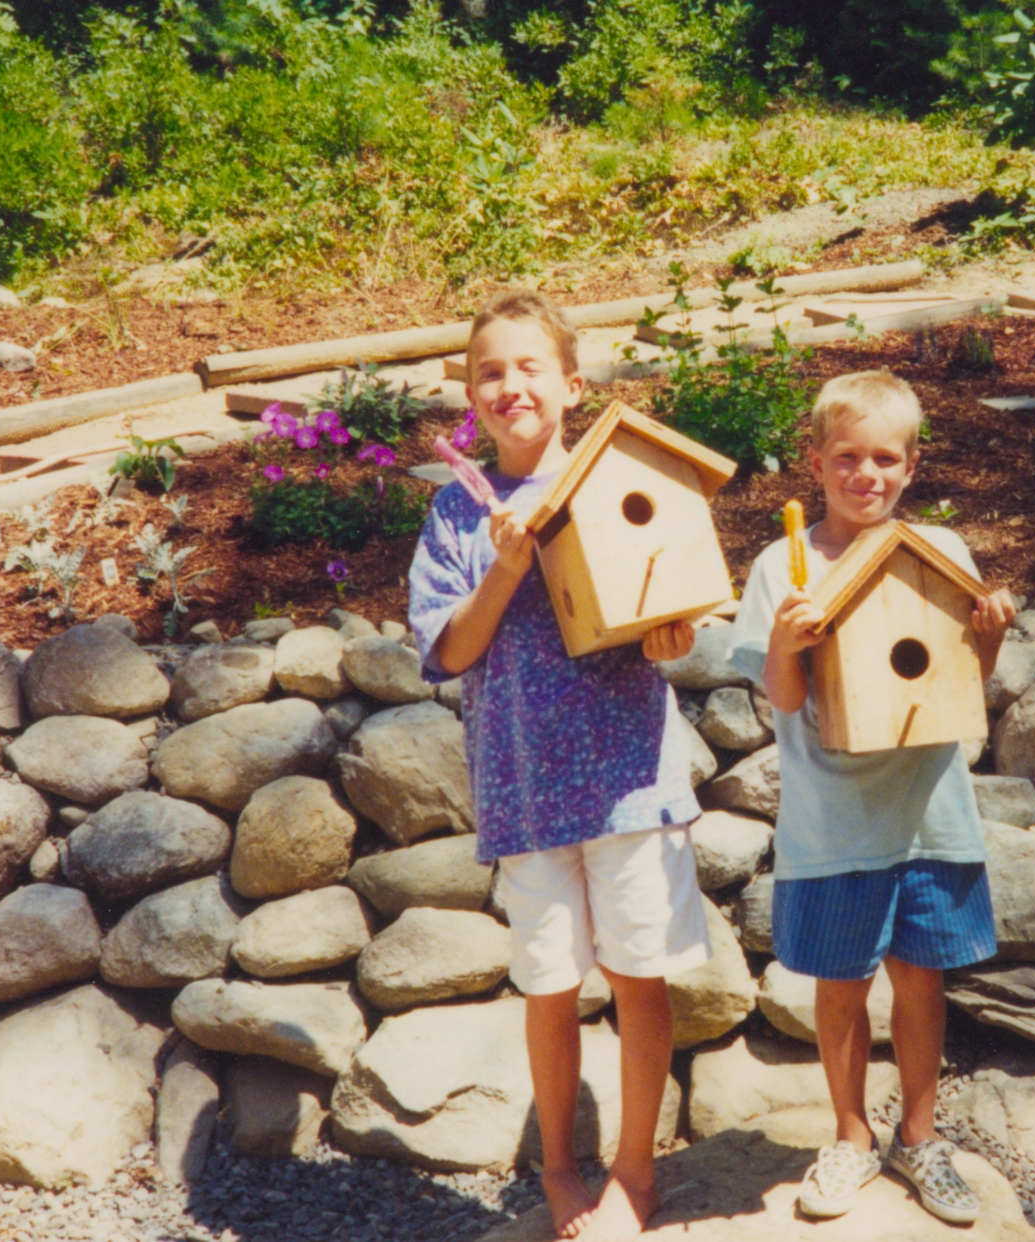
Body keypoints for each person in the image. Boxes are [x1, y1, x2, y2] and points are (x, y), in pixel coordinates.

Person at [409, 290, 709, 1242]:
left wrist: (669, 635)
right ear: (470, 396)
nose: (511, 386)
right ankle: (557, 1167)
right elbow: (450, 651)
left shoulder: (616, 477)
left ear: (573, 385)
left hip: (629, 778)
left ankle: (635, 1173)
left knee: (638, 975)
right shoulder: (457, 514)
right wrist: (505, 564)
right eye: (489, 372)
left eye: (529, 367)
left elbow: (666, 606)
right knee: (547, 985)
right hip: (525, 785)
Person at [727, 370, 1015, 1225]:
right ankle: (851, 1136)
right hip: (833, 823)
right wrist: (786, 642)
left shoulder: (941, 551)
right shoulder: (783, 567)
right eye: (847, 457)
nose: (867, 474)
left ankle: (918, 1137)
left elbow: (959, 681)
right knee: (842, 983)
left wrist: (990, 638)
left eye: (886, 458)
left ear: (912, 465)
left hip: (930, 816)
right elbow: (783, 699)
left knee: (921, 979)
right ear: (814, 461)